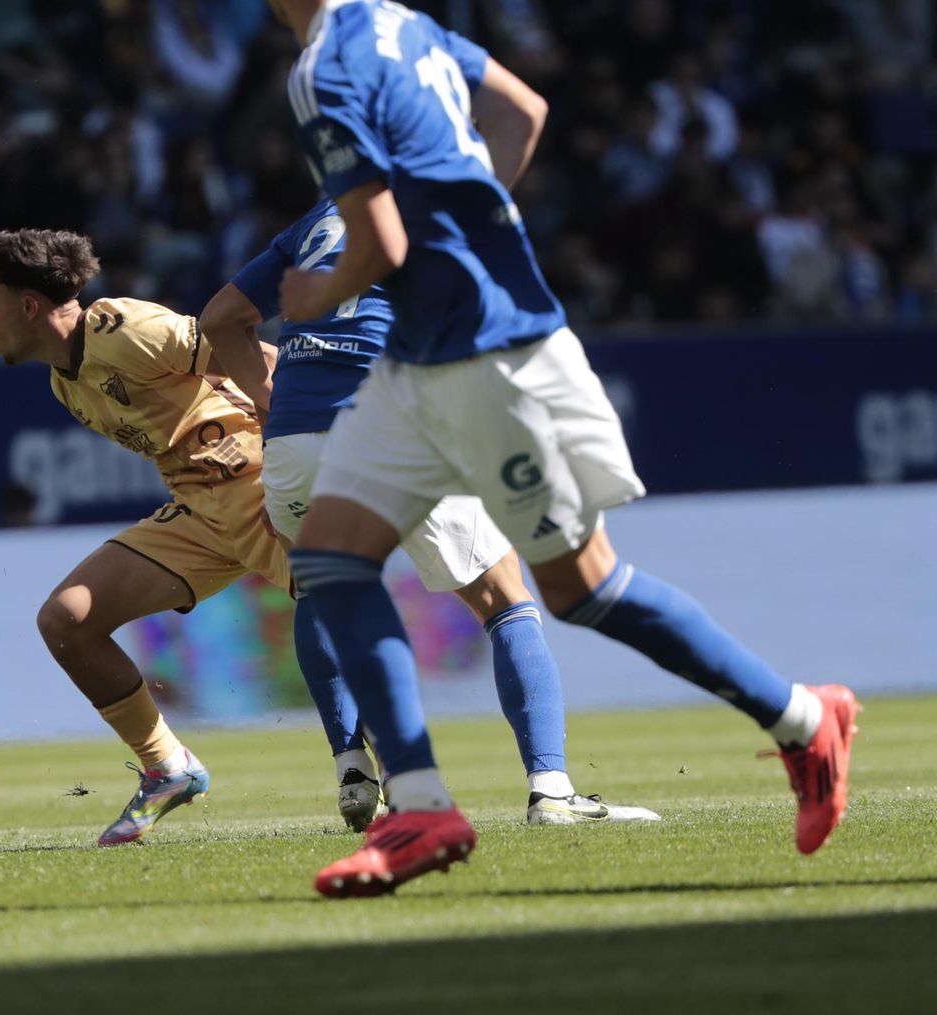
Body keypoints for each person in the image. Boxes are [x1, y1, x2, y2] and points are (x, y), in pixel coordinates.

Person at [264, 0, 858, 897]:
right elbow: (523, 112)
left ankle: (806, 720)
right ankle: (422, 805)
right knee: (334, 557)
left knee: (585, 589)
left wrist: (311, 297)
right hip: (419, 357)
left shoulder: (319, 69)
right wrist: (473, 228)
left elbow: (378, 242)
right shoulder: (401, 23)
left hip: (490, 358)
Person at [200, 197, 659, 828]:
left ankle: (351, 764)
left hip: (295, 440)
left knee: (320, 590)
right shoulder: (445, 194)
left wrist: (275, 402)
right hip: (393, 421)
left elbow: (222, 318)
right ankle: (551, 791)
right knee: (503, 596)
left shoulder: (317, 219)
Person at [0, 227, 279, 846]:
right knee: (67, 619)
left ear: (28, 306)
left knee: (342, 614)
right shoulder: (65, 381)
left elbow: (263, 359)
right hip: (198, 514)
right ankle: (167, 768)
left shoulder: (126, 330)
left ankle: (397, 780)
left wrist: (301, 447)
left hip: (256, 485)